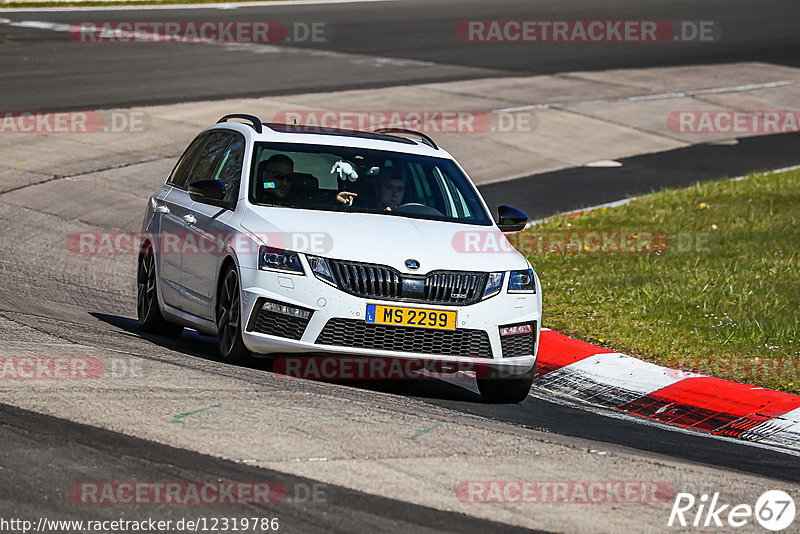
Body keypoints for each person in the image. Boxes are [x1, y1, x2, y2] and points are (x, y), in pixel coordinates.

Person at [336, 168, 406, 211]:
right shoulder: (360, 209)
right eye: (389, 188)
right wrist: (339, 203)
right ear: (377, 189)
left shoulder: (408, 215)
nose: (395, 194)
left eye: (400, 190)